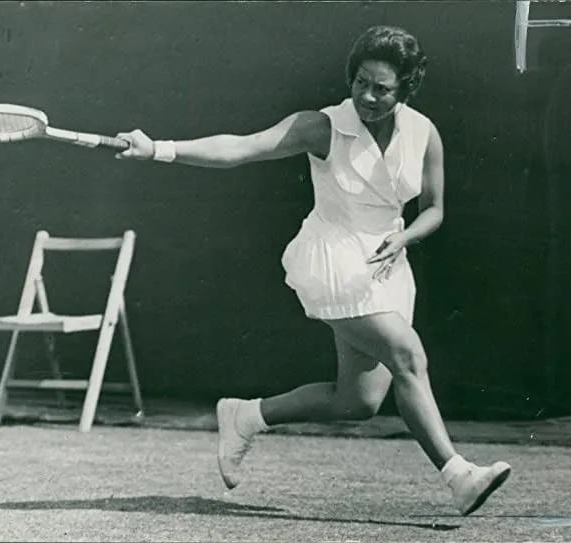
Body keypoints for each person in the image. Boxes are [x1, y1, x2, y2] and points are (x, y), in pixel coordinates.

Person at [115, 25, 511, 515]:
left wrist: (405, 236)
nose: (367, 95)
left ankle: (247, 416)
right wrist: (158, 148)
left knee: (357, 402)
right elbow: (240, 148)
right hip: (332, 258)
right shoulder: (320, 126)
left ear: (406, 88)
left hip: (387, 266)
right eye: (360, 82)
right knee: (407, 355)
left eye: (382, 88)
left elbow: (434, 208)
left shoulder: (423, 133)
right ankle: (458, 475)